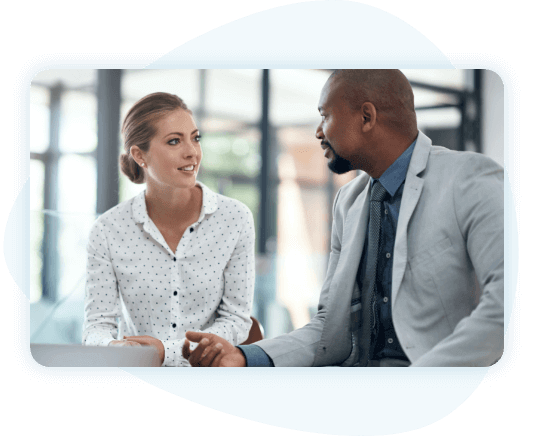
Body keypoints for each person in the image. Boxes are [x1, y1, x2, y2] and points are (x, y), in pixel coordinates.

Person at [182, 69, 505, 367]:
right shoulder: (348, 201)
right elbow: (329, 330)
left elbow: (505, 302)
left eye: (325, 115)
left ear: (366, 116)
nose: (318, 131)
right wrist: (245, 356)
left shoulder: (470, 179)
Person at [82, 92, 255, 366]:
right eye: (174, 141)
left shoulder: (234, 219)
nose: (192, 152)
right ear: (140, 155)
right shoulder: (107, 230)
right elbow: (96, 327)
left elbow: (235, 321)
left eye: (195, 138)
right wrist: (115, 347)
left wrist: (166, 352)